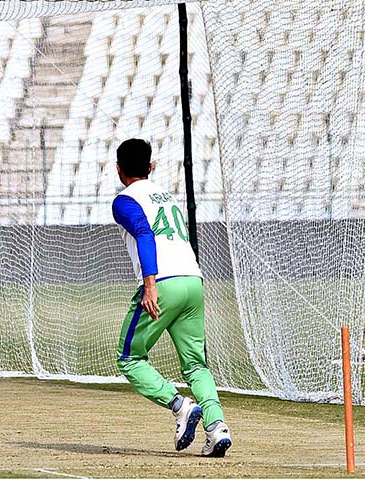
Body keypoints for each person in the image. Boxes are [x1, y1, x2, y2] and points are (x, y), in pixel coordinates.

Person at [111, 138, 231, 457]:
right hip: (193, 279)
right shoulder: (168, 197)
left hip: (162, 282)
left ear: (119, 170)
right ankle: (217, 427)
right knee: (195, 364)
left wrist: (149, 284)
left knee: (130, 357)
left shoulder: (123, 200)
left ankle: (180, 406)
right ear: (150, 167)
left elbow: (145, 234)